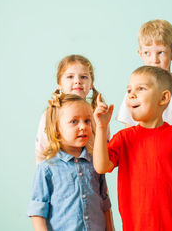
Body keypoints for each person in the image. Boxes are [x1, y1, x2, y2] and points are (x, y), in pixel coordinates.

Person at [94, 66, 172, 231]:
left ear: (163, 97)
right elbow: (101, 166)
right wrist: (101, 128)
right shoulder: (124, 138)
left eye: (141, 89)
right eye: (129, 90)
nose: (131, 94)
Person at [27, 92, 113, 231]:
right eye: (74, 121)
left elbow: (105, 204)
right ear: (56, 129)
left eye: (87, 121)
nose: (83, 127)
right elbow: (38, 210)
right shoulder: (47, 168)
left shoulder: (95, 163)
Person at [116, 19, 172, 130]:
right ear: (141, 54)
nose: (154, 60)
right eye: (147, 53)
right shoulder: (134, 90)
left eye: (160, 52)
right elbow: (128, 128)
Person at [35, 54, 99, 165]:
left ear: (91, 84)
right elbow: (41, 151)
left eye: (83, 77)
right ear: (59, 84)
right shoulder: (51, 113)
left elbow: (104, 146)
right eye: (70, 77)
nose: (77, 81)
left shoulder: (97, 114)